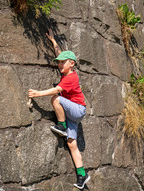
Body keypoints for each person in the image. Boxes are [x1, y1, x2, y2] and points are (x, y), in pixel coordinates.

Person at [28, 29, 90, 189]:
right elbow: (60, 53)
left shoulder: (71, 77)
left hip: (77, 110)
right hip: (73, 114)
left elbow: (56, 91)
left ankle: (61, 126)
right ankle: (82, 175)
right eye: (59, 62)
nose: (60, 64)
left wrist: (37, 93)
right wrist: (53, 41)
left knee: (56, 97)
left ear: (72, 64)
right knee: (71, 143)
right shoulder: (66, 71)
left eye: (63, 62)